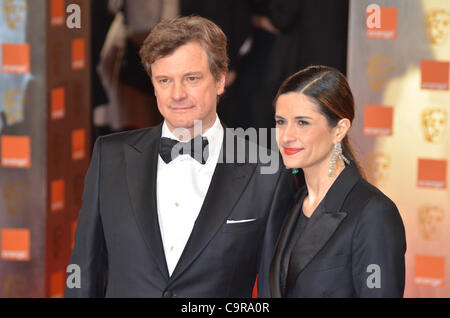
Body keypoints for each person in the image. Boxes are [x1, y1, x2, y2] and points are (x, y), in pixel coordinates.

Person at [65, 16, 297, 298]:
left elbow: (276, 288)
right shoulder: (110, 156)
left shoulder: (268, 172)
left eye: (191, 78)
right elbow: (84, 270)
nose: (177, 94)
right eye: (164, 80)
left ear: (220, 80)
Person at [258, 66, 406, 298]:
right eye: (280, 122)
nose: (286, 136)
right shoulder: (289, 203)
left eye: (302, 123)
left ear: (339, 129)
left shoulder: (374, 214)